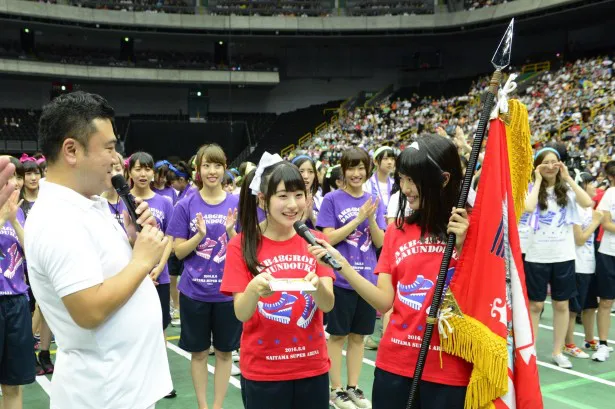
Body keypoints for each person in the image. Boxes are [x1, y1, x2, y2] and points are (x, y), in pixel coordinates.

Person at [24, 91, 172, 409]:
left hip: (122, 387)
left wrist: (133, 240)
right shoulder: (57, 219)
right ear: (72, 150)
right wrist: (141, 260)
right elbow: (88, 309)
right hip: (104, 393)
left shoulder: (87, 203)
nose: (116, 158)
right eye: (108, 147)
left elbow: (106, 273)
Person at [309, 136, 472, 409]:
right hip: (395, 366)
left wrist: (467, 247)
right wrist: (343, 266)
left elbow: (483, 295)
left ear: (443, 179)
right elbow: (385, 301)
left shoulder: (471, 228)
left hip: (449, 369)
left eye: (413, 180)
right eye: (402, 179)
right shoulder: (397, 230)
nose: (406, 189)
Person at [221, 153, 335, 409]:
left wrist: (317, 286)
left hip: (312, 367)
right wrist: (253, 289)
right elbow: (241, 312)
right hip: (264, 371)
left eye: (299, 195)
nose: (293, 204)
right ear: (262, 199)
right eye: (282, 196)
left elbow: (327, 306)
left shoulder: (316, 241)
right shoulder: (240, 245)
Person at [166, 144, 241, 409]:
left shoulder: (237, 204)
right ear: (198, 169)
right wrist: (198, 236)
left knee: (224, 353)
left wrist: (232, 233)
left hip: (227, 294)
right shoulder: (186, 204)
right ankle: (202, 405)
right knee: (198, 354)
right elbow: (178, 251)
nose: (212, 171)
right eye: (206, 165)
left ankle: (218, 405)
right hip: (193, 293)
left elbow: (243, 251)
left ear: (225, 168)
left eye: (217, 165)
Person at [316, 148, 386, 409]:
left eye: (361, 168)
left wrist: (371, 218)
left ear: (368, 170)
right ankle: (336, 390)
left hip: (366, 280)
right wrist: (357, 219)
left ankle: (353, 387)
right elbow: (327, 239)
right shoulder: (332, 199)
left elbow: (380, 242)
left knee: (358, 337)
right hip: (340, 278)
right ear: (343, 170)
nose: (356, 174)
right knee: (337, 336)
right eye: (351, 168)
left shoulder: (372, 199)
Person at [524, 147, 594, 368]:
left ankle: (557, 351)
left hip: (563, 256)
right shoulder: (531, 188)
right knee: (535, 305)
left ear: (561, 164)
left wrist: (568, 178)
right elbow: (528, 206)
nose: (550, 166)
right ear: (538, 165)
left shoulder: (568, 190)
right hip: (537, 255)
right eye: (546, 163)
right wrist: (536, 178)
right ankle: (530, 349)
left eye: (555, 162)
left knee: (561, 305)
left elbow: (587, 203)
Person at [0, 159, 35, 409]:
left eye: (16, 177)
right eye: (7, 176)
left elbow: (30, 251)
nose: (14, 182)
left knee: (13, 384)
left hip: (16, 303)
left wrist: (13, 220)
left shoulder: (19, 211)